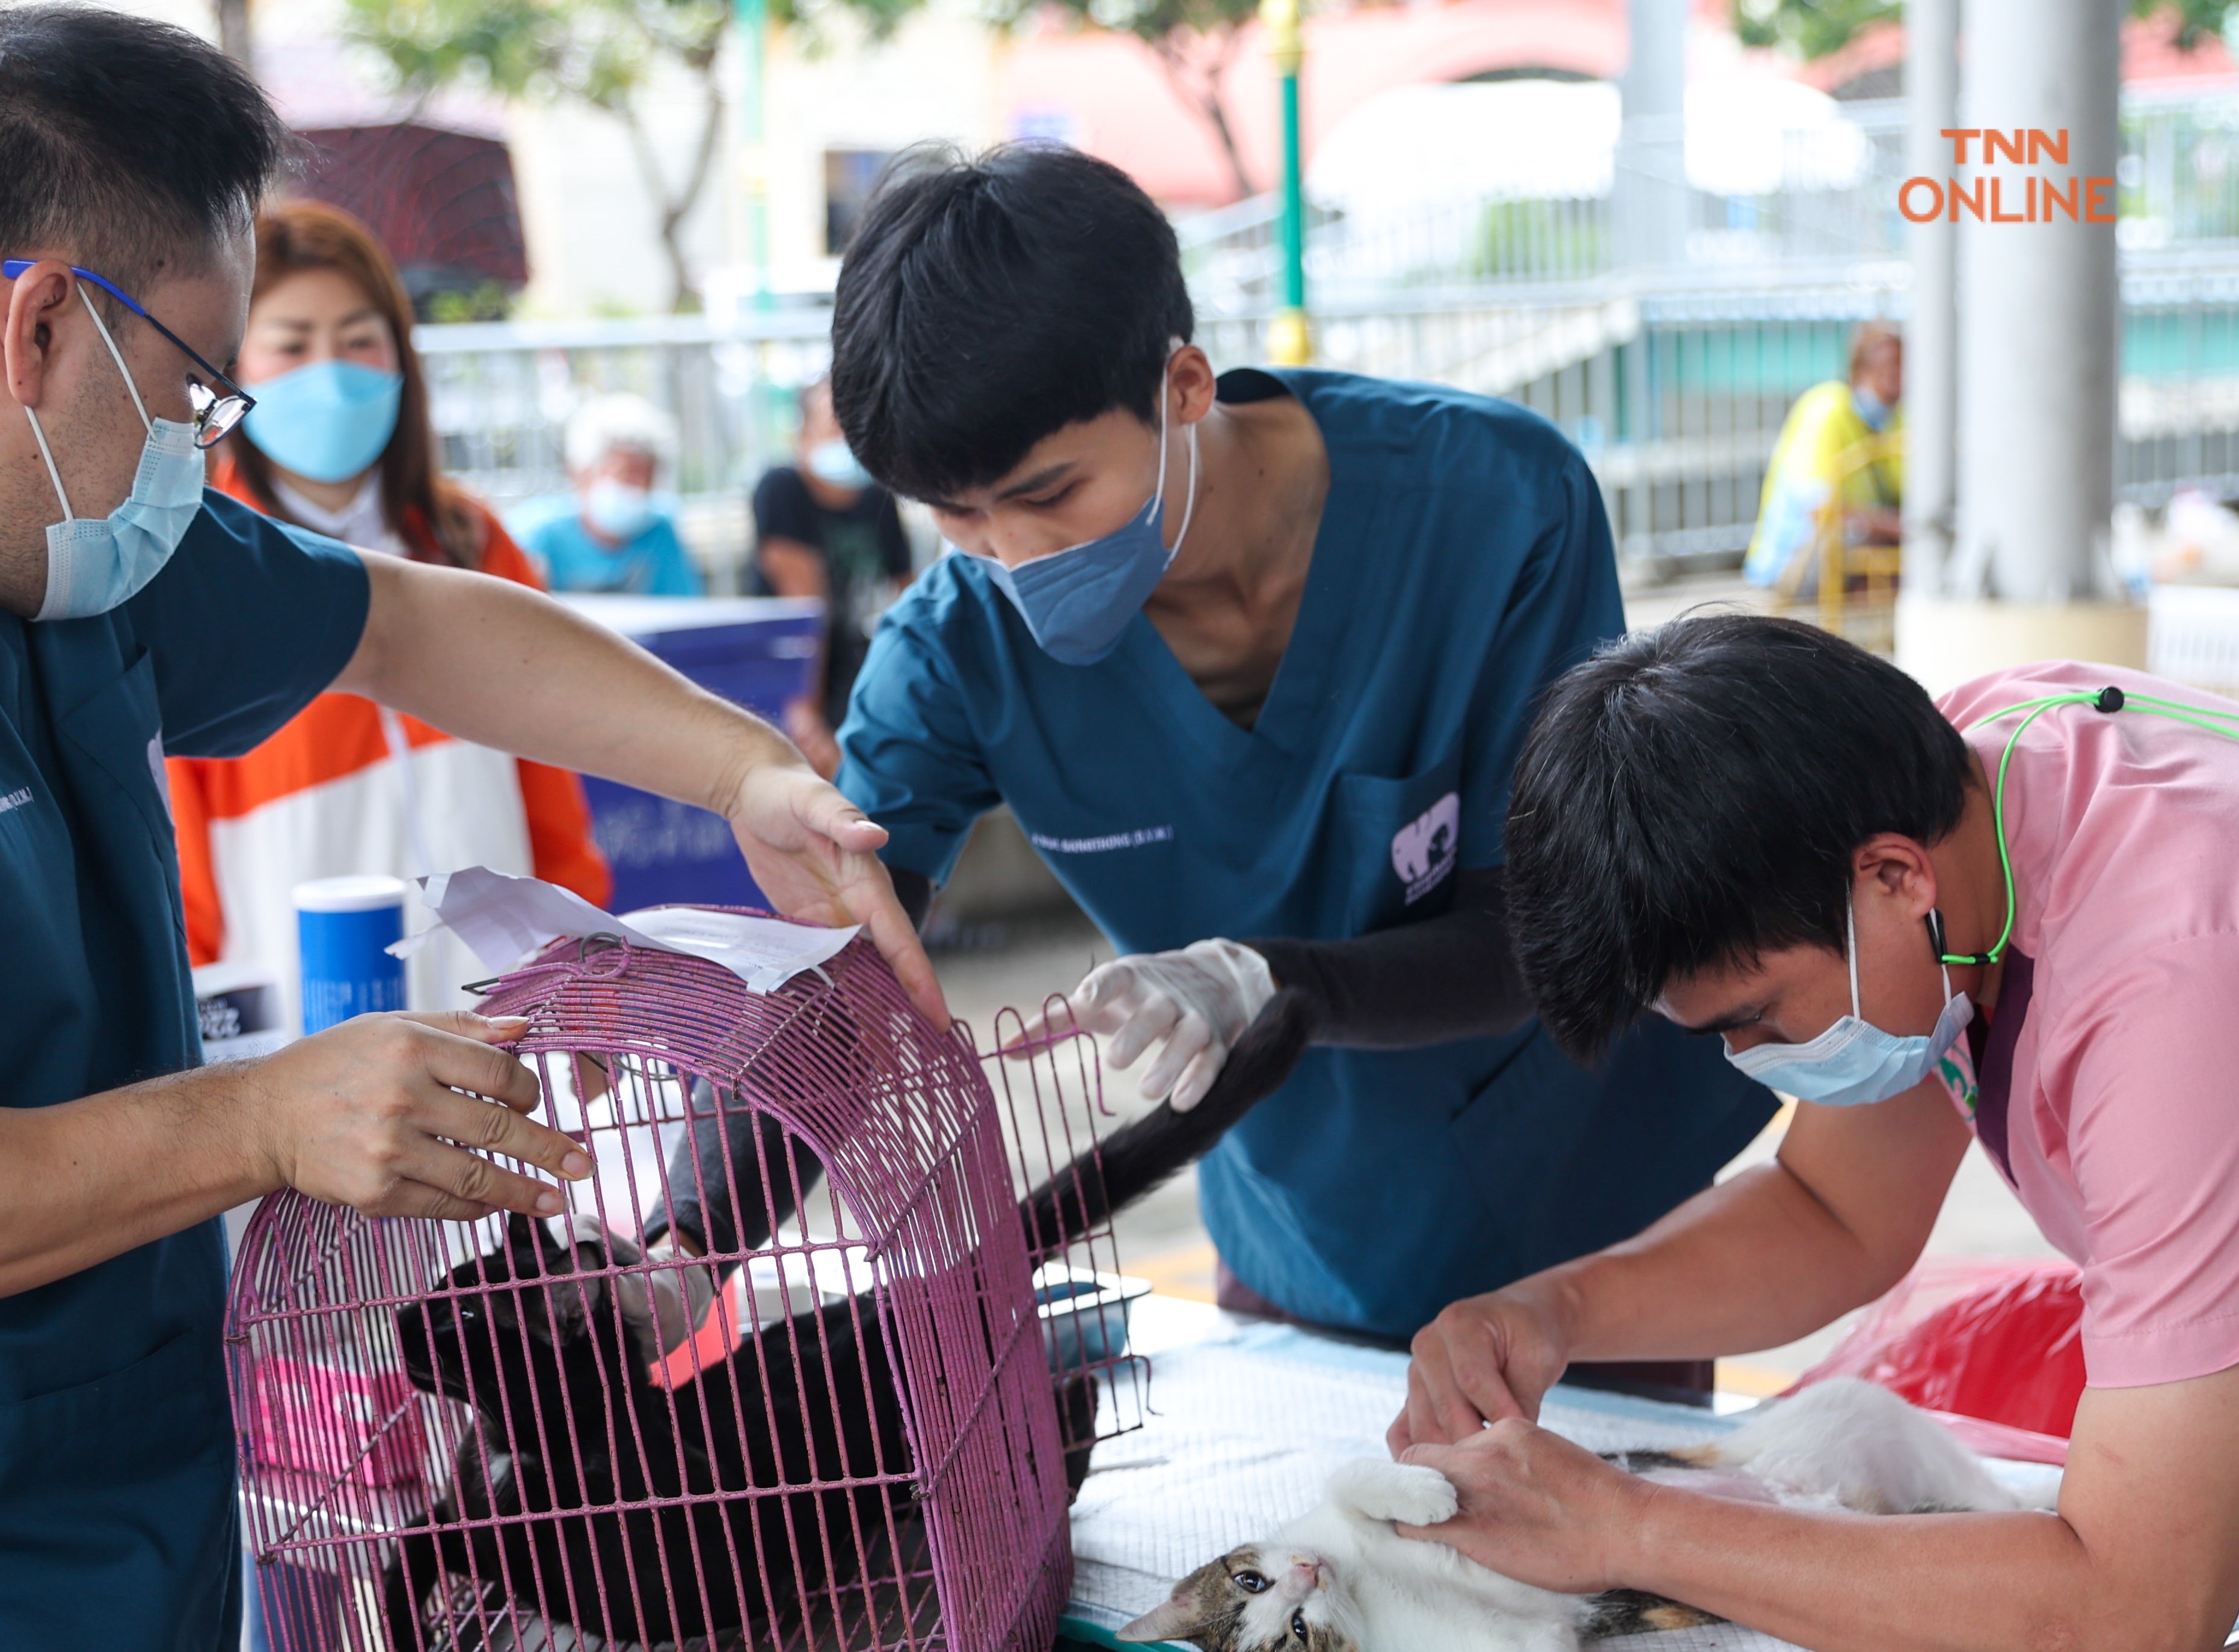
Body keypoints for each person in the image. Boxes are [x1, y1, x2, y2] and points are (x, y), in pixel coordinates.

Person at [0, 14, 933, 1652]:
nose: (196, 453)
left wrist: (748, 775)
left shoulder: (31, 565)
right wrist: (262, 1116)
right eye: (194, 392)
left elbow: (411, 621)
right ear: (38, 327)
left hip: (91, 1621)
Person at [825, 143, 1775, 1346]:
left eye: (1052, 493)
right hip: (1301, 1223)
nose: (1013, 555)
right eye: (955, 515)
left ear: (1180, 384)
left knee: (1600, 1517)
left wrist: (1262, 982)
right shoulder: (954, 655)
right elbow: (837, 968)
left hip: (1586, 1213)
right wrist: (683, 1240)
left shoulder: (1497, 512)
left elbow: (1544, 928)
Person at [1389, 613, 2239, 1652]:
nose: (1759, 1060)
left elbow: (2137, 1612)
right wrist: (1551, 1312)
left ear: (1895, 876)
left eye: (1760, 1014)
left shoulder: (2168, 991)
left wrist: (1625, 1526)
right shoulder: (1967, 794)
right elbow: (1835, 1207)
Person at [167, 201, 610, 1017]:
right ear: (231, 368)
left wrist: (582, 985)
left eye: (358, 338)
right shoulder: (191, 567)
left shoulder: (471, 542)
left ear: (400, 355)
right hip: (302, 1040)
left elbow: (550, 784)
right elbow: (179, 851)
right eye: (292, 344)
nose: (329, 370)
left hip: (498, 1020)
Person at [748, 378, 915, 776]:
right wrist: (804, 715)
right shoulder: (782, 489)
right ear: (804, 434)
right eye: (837, 422)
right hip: (796, 679)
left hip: (862, 677)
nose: (850, 434)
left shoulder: (878, 496)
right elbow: (803, 609)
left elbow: (907, 595)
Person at [1743, 322, 1903, 597]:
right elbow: (1819, 508)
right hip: (1794, 562)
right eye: (1888, 368)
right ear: (1860, 370)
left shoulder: (1893, 419)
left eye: (1903, 368)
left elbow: (1906, 491)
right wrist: (1898, 526)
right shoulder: (1825, 410)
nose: (1897, 378)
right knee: (1863, 545)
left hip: (1845, 552)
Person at [514, 392, 703, 595]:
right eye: (626, 475)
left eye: (647, 477)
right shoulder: (539, 534)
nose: (637, 488)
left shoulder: (660, 531)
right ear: (583, 473)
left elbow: (681, 608)